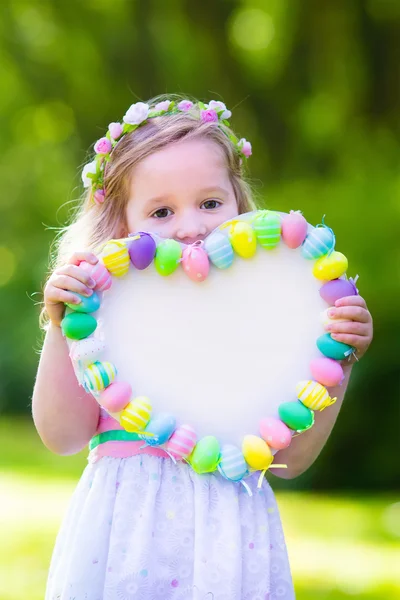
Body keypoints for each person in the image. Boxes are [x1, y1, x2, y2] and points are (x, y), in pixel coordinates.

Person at [32, 96, 373, 600]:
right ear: (122, 224)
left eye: (210, 202)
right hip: (126, 539)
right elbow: (62, 436)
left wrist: (334, 360)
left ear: (238, 202)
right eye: (162, 210)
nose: (191, 225)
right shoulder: (108, 323)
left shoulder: (268, 315)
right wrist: (64, 329)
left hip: (232, 539)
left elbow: (293, 458)